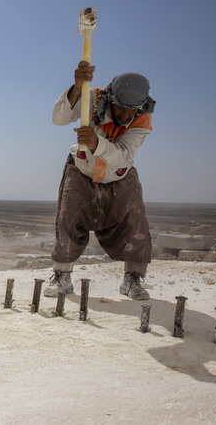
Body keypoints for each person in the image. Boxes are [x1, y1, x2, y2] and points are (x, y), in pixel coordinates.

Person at [44, 60, 156, 300]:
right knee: (68, 218)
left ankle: (132, 280)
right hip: (82, 169)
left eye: (131, 111)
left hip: (119, 174)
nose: (126, 115)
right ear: (111, 99)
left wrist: (97, 143)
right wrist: (76, 88)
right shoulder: (92, 98)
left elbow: (124, 155)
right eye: (121, 108)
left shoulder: (142, 119)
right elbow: (59, 118)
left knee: (135, 222)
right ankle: (62, 278)